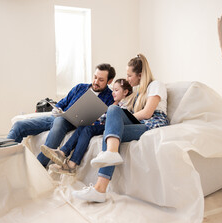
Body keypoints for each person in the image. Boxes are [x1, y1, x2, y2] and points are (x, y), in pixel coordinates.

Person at [72, 54, 169, 203]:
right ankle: (100, 188)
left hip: (152, 124)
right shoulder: (138, 92)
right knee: (111, 128)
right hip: (141, 123)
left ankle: (101, 185)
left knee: (112, 122)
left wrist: (124, 120)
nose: (128, 79)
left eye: (130, 75)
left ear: (140, 75)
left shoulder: (156, 85)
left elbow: (148, 113)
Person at [7, 63, 116, 167]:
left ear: (109, 81)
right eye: (95, 77)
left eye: (101, 80)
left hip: (73, 123)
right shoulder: (80, 87)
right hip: (59, 117)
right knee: (19, 125)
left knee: (60, 121)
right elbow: (63, 103)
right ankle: (4, 159)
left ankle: (39, 165)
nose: (96, 81)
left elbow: (104, 120)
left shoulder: (110, 98)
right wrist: (57, 109)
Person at [40, 78, 133, 175]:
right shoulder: (113, 102)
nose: (113, 93)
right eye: (113, 90)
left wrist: (95, 120)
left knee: (88, 130)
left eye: (116, 90)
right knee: (82, 127)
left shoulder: (124, 104)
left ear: (125, 92)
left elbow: (109, 119)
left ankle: (72, 164)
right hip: (103, 124)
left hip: (111, 128)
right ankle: (62, 153)